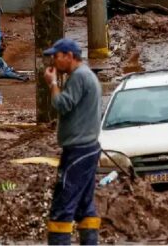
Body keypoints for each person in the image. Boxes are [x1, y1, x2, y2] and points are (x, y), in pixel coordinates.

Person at [42, 38, 103, 245]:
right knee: (85, 205)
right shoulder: (86, 76)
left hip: (78, 150)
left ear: (69, 56)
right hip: (88, 148)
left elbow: (62, 104)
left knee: (63, 204)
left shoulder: (79, 77)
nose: (53, 62)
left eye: (56, 56)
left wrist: (52, 84)